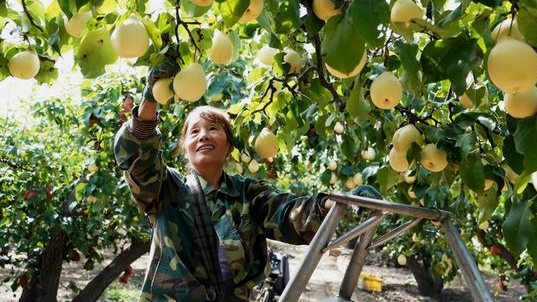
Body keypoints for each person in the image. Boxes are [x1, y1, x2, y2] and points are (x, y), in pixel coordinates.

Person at [113, 51, 382, 301]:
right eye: (194, 132)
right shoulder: (165, 189)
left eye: (213, 129)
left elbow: (289, 214)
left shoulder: (248, 194)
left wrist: (337, 202)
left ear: (229, 146)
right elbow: (135, 156)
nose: (204, 135)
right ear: (185, 149)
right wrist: (150, 99)